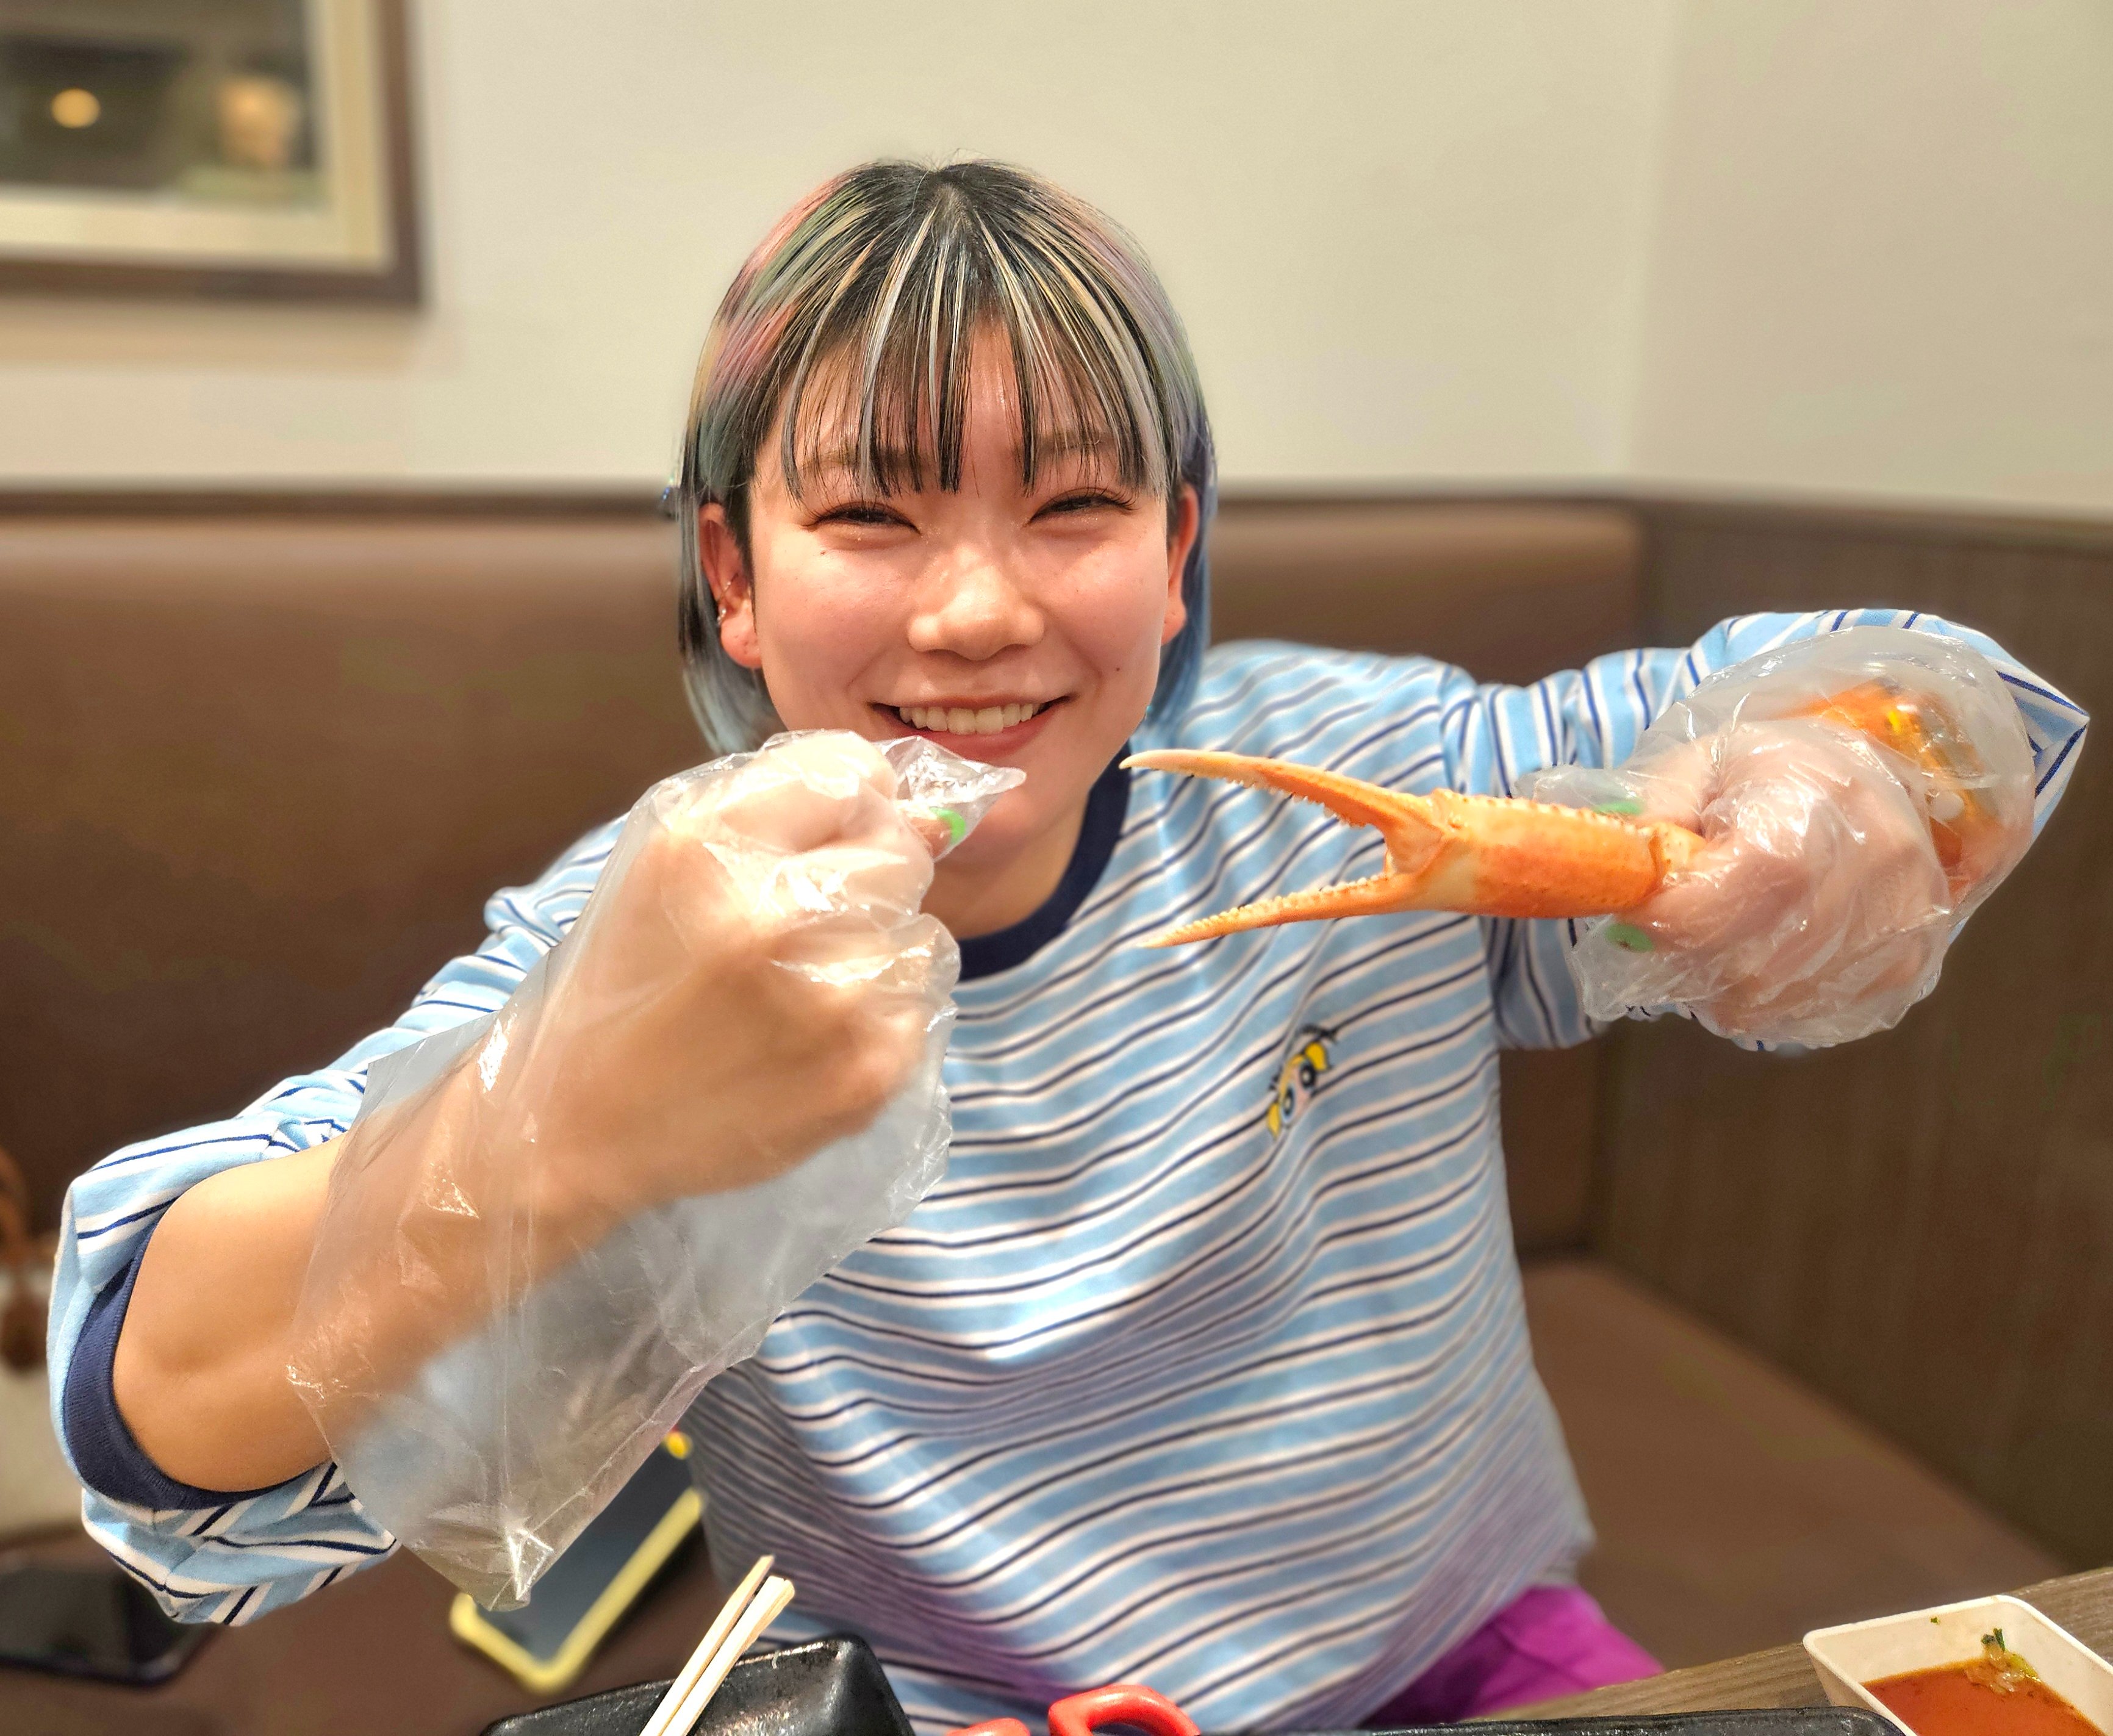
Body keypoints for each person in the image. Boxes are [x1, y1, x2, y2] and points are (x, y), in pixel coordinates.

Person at [50, 160, 2087, 1731]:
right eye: (871, 519)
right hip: (942, 1709)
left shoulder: (1368, 772)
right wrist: (567, 1118)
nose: (976, 614)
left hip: (1460, 1654)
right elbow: (148, 1404)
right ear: (732, 574)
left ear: (1179, 547)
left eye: (1076, 507)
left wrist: (1835, 786)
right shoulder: (660, 928)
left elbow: (1941, 709)